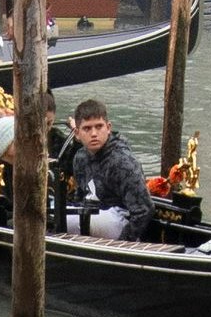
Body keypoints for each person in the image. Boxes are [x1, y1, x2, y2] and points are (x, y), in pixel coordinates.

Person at [58, 97, 151, 241]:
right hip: (91, 214)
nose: (94, 134)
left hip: (118, 220)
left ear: (108, 128)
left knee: (63, 218)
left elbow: (144, 209)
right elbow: (80, 196)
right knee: (51, 211)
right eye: (87, 128)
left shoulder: (123, 161)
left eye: (99, 127)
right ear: (77, 133)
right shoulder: (80, 157)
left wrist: (124, 242)